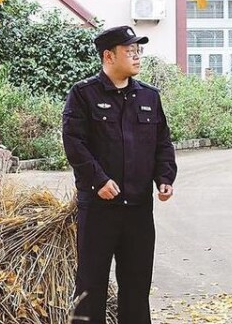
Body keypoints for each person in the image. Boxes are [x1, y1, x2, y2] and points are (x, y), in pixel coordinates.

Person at [62, 25, 177, 324]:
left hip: (138, 210)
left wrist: (165, 177)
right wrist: (97, 180)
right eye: (130, 51)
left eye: (139, 51)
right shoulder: (83, 94)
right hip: (99, 209)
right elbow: (74, 143)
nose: (137, 56)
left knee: (137, 289)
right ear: (108, 56)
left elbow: (162, 142)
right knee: (90, 287)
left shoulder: (149, 97)